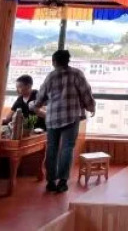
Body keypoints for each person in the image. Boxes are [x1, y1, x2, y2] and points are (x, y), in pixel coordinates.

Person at [35, 50, 95, 193]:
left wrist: (36, 105)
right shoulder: (77, 74)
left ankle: (50, 181)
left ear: (54, 62)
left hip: (53, 117)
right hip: (71, 116)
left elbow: (40, 96)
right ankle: (62, 182)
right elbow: (86, 92)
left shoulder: (51, 76)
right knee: (67, 147)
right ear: (68, 61)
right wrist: (91, 107)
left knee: (52, 148)